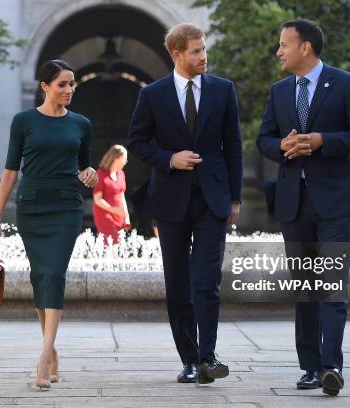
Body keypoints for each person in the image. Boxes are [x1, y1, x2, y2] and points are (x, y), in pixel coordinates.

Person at [256, 19, 350, 396]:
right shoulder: (278, 91)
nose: (278, 51)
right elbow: (263, 139)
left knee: (332, 284)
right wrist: (281, 146)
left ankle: (332, 366)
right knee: (305, 287)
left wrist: (323, 140)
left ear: (305, 47)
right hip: (294, 201)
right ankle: (310, 367)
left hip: (336, 201)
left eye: (283, 45)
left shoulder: (347, 84)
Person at [127, 23, 243, 385]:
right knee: (178, 281)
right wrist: (169, 159)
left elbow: (233, 146)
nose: (203, 56)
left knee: (206, 280)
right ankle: (189, 360)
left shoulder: (224, 90)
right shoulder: (153, 95)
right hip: (171, 199)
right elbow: (137, 143)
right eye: (196, 51)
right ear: (177, 54)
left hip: (213, 199)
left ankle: (208, 356)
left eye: (204, 49)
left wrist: (235, 197)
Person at [0, 59, 98, 390]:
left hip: (66, 208)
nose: (69, 90)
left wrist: (89, 175)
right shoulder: (23, 121)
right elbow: (10, 171)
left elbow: (83, 167)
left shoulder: (82, 124)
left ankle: (43, 356)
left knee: (54, 274)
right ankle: (52, 352)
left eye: (72, 84)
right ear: (45, 86)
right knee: (40, 276)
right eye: (62, 84)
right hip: (32, 207)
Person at [92, 145, 130, 244]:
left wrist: (126, 216)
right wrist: (113, 210)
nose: (125, 162)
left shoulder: (121, 173)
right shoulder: (101, 173)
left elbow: (122, 195)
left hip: (119, 215)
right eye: (124, 159)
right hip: (105, 214)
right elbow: (97, 199)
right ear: (116, 158)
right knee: (111, 243)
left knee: (118, 245)